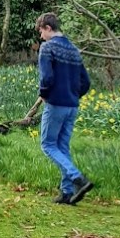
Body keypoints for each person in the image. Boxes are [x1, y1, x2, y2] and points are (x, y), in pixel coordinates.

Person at [35, 12, 93, 205]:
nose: (40, 36)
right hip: (72, 106)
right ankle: (67, 192)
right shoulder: (74, 50)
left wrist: (44, 93)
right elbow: (86, 82)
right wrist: (73, 95)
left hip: (55, 104)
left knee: (48, 145)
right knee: (62, 147)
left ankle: (78, 179)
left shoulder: (47, 48)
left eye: (41, 31)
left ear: (48, 28)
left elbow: (47, 78)